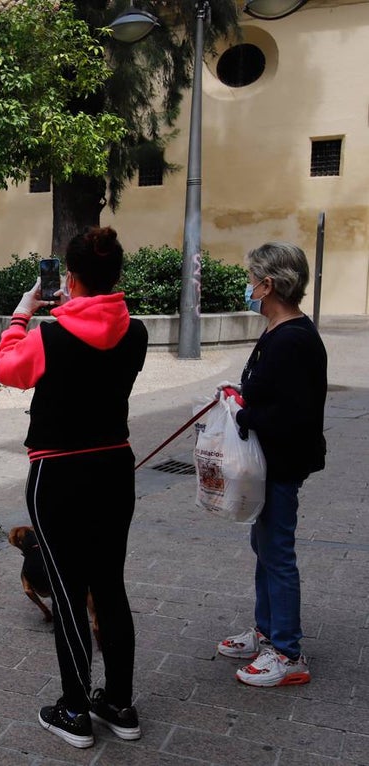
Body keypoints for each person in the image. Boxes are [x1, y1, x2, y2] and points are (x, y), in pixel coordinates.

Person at [0, 227, 147, 749]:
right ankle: (119, 704)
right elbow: (101, 340)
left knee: (66, 591)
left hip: (58, 475)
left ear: (71, 278)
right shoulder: (138, 333)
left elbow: (7, 371)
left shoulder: (49, 335)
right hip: (114, 470)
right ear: (118, 277)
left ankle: (75, 710)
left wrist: (22, 314)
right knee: (109, 587)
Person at [215, 242, 326, 687]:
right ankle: (267, 632)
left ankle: (287, 652)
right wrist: (239, 396)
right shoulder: (280, 332)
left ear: (271, 284)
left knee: (277, 552)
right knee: (264, 547)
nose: (248, 286)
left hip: (281, 463)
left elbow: (291, 415)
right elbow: (271, 394)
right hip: (269, 463)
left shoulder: (293, 339)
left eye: (252, 279)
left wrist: (241, 413)